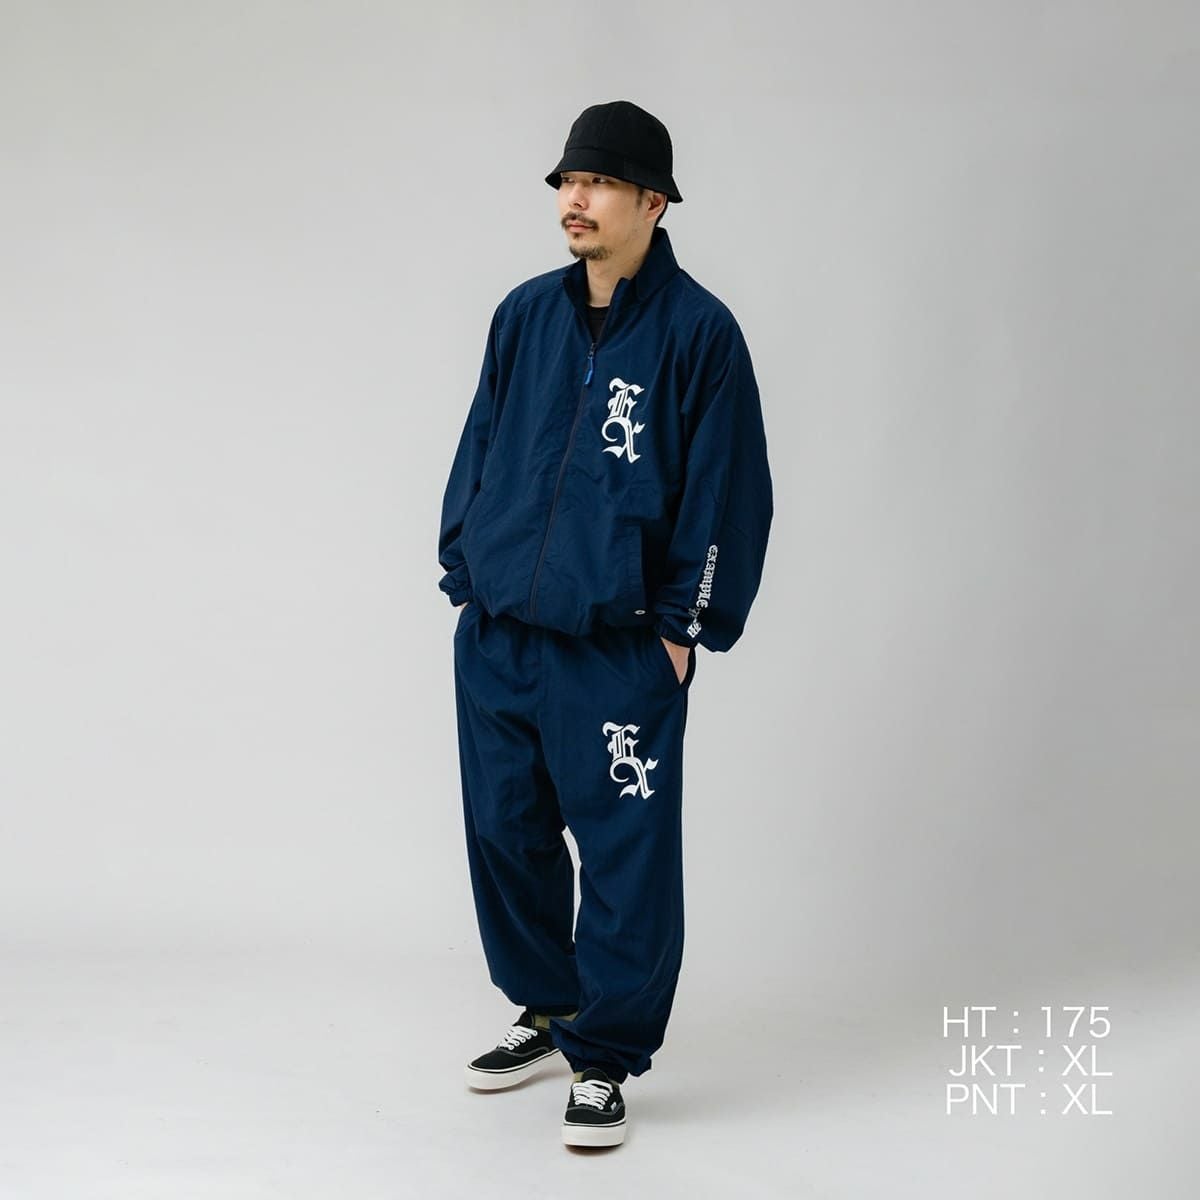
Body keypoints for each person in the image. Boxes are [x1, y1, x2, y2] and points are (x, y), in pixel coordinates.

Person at [436, 99, 773, 1149]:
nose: (574, 200)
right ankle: (550, 1008)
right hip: (502, 637)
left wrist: (683, 628)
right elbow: (481, 444)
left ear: (652, 202)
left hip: (619, 648)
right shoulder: (524, 316)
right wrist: (465, 568)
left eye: (599, 184)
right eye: (567, 183)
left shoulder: (699, 334)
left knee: (624, 856)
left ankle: (607, 1055)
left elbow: (727, 491)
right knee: (507, 832)